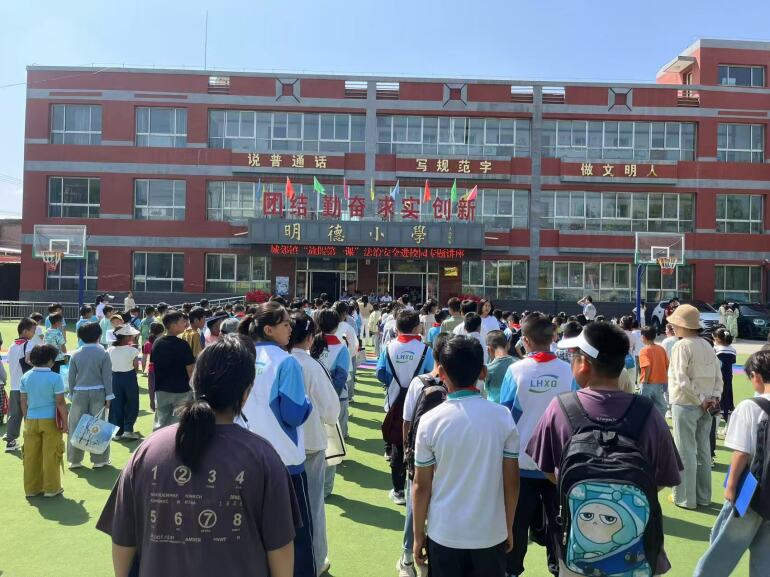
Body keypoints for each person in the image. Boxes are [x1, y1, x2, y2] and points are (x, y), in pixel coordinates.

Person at [97, 335, 299, 577]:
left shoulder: (148, 449)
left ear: (194, 382)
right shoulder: (263, 456)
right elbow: (280, 545)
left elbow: (123, 538)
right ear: (246, 392)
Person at [527, 321, 683, 576]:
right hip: (638, 553)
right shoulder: (647, 412)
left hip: (576, 549)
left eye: (574, 355)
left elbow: (547, 470)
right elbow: (665, 477)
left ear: (584, 364)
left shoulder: (561, 408)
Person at [412, 336, 520, 576]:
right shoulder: (503, 417)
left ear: (441, 372)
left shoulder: (430, 421)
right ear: (483, 371)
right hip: (490, 533)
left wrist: (418, 535)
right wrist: (508, 526)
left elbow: (421, 485)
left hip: (444, 533)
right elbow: (512, 482)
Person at [237, 303, 314, 577]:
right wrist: (308, 403)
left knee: (253, 536)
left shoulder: (241, 357)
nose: (290, 328)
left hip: (245, 458)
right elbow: (294, 415)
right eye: (285, 324)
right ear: (269, 329)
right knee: (297, 538)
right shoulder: (286, 361)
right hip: (285, 461)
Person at [499, 314, 576, 577]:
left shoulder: (515, 370)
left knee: (516, 525)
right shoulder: (569, 370)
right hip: (559, 464)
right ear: (553, 337)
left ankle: (511, 571)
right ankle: (560, 570)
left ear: (525, 340)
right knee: (559, 525)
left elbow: (506, 414)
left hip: (521, 461)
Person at [693, 350, 770, 577]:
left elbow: (741, 452)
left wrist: (731, 486)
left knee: (723, 548)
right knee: (766, 556)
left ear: (756, 376)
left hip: (750, 488)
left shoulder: (750, 406)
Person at [289, 313, 341, 575]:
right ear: (310, 338)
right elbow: (331, 411)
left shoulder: (273, 360)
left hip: (274, 447)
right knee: (312, 507)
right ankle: (317, 559)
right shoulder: (310, 365)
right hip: (309, 444)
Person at [398, 331, 451, 577]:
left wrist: (407, 451)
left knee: (414, 506)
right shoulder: (460, 385)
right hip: (448, 456)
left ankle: (408, 558)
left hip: (420, 455)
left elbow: (407, 421)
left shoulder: (418, 383)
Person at [666, 304, 723, 510]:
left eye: (675, 323)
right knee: (703, 451)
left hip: (686, 402)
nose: (672, 326)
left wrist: (700, 399)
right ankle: (703, 496)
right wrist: (713, 397)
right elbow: (719, 377)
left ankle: (685, 498)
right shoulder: (707, 345)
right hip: (708, 404)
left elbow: (681, 379)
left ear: (683, 325)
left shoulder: (681, 346)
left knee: (685, 451)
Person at [377, 309, 434, 506]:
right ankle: (419, 487)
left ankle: (398, 490)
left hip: (394, 401)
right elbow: (431, 374)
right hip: (420, 404)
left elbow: (380, 372)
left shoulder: (389, 347)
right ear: (417, 327)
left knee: (397, 445)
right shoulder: (425, 349)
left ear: (397, 327)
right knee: (420, 444)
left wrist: (392, 383)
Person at [20, 344, 68, 498]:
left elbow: (23, 402)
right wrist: (66, 423)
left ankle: (31, 489)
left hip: (31, 420)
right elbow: (60, 403)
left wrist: (27, 417)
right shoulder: (55, 377)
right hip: (50, 420)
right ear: (50, 360)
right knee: (51, 454)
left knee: (30, 455)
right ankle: (51, 488)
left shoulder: (25, 377)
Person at [313, 308, 351, 499]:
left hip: (311, 401)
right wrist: (329, 399)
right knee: (332, 444)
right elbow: (341, 377)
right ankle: (326, 488)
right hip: (336, 400)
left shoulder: (309, 344)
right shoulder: (341, 347)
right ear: (337, 325)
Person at [67, 321, 114, 469]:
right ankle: (99, 459)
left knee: (75, 425)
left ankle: (75, 460)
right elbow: (107, 377)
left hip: (79, 393)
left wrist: (71, 393)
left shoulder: (75, 354)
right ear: (99, 336)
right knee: (99, 426)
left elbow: (71, 377)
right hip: (98, 393)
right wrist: (109, 396)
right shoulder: (103, 353)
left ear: (80, 336)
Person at [152, 311, 196, 430]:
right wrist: (195, 389)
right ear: (173, 325)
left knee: (160, 423)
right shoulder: (183, 345)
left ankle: (157, 441)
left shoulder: (157, 342)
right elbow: (190, 370)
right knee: (180, 424)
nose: (185, 323)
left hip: (161, 390)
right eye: (182, 321)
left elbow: (153, 368)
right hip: (181, 391)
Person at [5, 318, 38, 452]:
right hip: (27, 386)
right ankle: (31, 441)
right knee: (30, 413)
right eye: (33, 330)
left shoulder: (12, 346)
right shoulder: (29, 344)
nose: (34, 333)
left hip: (14, 386)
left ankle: (11, 441)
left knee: (14, 415)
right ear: (25, 331)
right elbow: (28, 360)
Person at [108, 325, 141, 441]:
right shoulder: (133, 350)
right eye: (130, 335)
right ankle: (128, 429)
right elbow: (136, 367)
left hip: (115, 378)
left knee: (116, 404)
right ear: (126, 337)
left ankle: (117, 432)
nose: (132, 337)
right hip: (129, 377)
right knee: (132, 402)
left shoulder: (110, 350)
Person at [639, 325, 669, 415]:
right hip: (661, 382)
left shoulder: (644, 350)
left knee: (643, 407)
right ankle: (659, 421)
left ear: (643, 337)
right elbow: (667, 365)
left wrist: (645, 381)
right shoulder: (661, 349)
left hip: (648, 382)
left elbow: (647, 366)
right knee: (661, 407)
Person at [484, 330, 515, 405]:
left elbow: (487, 391)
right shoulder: (518, 363)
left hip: (494, 408)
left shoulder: (488, 369)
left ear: (488, 349)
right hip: (512, 408)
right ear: (507, 345)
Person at [714, 327, 737, 424]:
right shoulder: (733, 350)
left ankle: (715, 429)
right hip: (728, 376)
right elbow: (733, 361)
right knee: (728, 395)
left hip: (717, 376)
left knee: (717, 396)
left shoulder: (715, 349)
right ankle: (728, 422)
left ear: (718, 339)